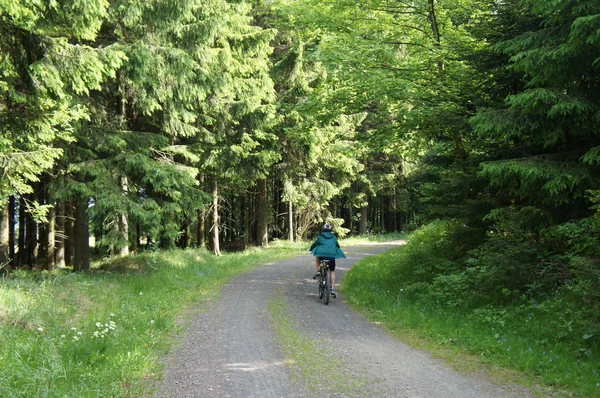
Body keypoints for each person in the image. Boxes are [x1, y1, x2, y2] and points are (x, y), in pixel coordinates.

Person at [309, 223, 346, 297]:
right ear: (330, 230)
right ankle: (332, 289)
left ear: (323, 230)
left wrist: (311, 248)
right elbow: (337, 246)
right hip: (331, 257)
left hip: (322, 255)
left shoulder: (320, 237)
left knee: (317, 257)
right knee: (332, 271)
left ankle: (319, 270)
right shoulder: (334, 237)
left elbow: (315, 244)